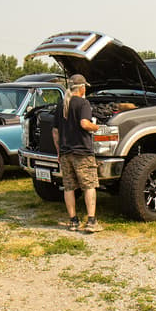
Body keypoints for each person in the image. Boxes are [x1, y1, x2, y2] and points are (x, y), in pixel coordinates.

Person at [51, 74, 101, 232]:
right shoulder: (83, 103)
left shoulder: (61, 104)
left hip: (65, 153)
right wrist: (96, 127)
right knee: (89, 186)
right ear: (82, 88)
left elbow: (55, 132)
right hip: (82, 153)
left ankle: (73, 221)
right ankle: (91, 221)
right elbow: (84, 123)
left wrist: (59, 152)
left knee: (69, 187)